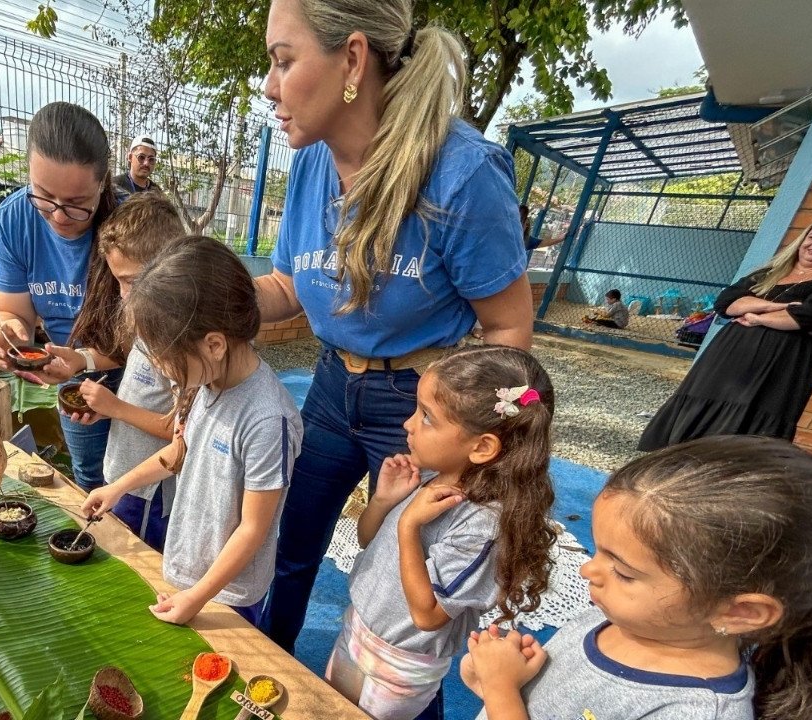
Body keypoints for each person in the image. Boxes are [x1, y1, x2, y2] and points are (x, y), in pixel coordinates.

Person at [258, 0, 534, 664]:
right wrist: (203, 295)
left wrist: (486, 440)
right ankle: (261, 677)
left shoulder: (464, 174)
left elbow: (509, 326)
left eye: (282, 60)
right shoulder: (311, 162)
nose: (269, 85)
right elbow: (290, 286)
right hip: (330, 386)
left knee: (406, 594)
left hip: (419, 404)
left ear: (352, 58)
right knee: (290, 550)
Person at [462, 435, 812, 720]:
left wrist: (501, 691)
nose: (588, 570)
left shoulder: (695, 712)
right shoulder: (622, 615)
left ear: (741, 612)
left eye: (623, 571)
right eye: (599, 551)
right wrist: (503, 682)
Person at [82, 236, 303, 626]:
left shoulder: (269, 419)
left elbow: (253, 529)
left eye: (166, 357)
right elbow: (180, 451)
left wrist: (197, 598)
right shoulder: (207, 383)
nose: (163, 370)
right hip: (186, 569)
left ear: (214, 344)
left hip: (228, 594)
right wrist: (117, 488)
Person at [327, 346, 556, 719]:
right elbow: (369, 542)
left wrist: (407, 525)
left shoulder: (482, 523)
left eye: (427, 417)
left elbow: (429, 615)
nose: (408, 424)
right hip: (359, 628)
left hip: (398, 663)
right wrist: (385, 502)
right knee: (331, 704)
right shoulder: (432, 475)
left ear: (482, 447)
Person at [0, 101, 123, 492]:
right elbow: (9, 310)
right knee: (90, 478)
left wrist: (84, 359)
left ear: (102, 184)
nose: (59, 215)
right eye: (44, 196)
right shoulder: (14, 219)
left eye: (78, 204)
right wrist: (7, 331)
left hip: (136, 370)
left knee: (136, 484)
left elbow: (150, 339)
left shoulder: (127, 225)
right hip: (70, 370)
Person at [638, 213, 812, 450]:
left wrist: (755, 314)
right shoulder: (772, 272)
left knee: (747, 427)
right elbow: (726, 303)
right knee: (697, 411)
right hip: (728, 356)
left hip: (783, 363)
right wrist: (773, 308)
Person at [75, 193, 188, 551]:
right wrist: (104, 409)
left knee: (139, 565)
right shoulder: (145, 322)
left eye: (131, 281)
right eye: (118, 282)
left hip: (148, 492)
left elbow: (180, 432)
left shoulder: (179, 343)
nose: (123, 295)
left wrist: (115, 408)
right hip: (121, 474)